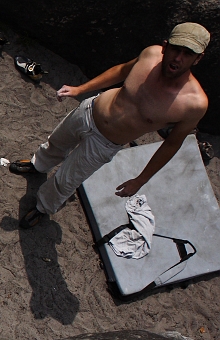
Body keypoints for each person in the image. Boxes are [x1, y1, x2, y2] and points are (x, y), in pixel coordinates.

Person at [11, 22, 210, 229]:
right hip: (90, 110)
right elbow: (121, 71)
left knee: (66, 181)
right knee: (55, 142)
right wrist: (80, 89)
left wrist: (140, 180)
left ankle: (43, 207)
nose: (178, 58)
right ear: (165, 46)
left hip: (104, 144)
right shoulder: (150, 54)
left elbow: (172, 144)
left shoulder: (194, 104)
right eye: (176, 49)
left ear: (198, 58)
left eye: (188, 54)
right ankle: (38, 164)